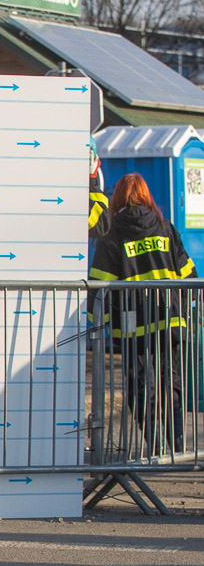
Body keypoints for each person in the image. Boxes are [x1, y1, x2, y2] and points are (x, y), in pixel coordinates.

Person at [90, 173, 196, 456]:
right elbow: (190, 277)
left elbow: (97, 290)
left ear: (118, 199)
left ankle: (155, 445)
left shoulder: (111, 237)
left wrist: (93, 326)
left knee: (139, 386)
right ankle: (177, 449)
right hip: (170, 321)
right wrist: (184, 311)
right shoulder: (166, 229)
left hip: (132, 328)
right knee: (170, 382)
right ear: (147, 196)